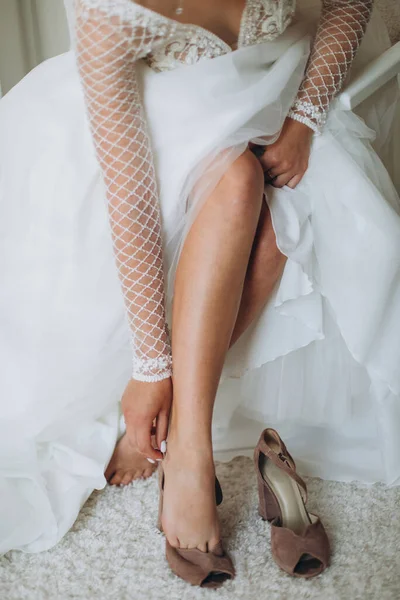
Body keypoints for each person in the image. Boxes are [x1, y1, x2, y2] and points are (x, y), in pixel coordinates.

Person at [0, 0, 399, 581]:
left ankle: (185, 437)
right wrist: (150, 369)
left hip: (279, 75)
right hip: (151, 112)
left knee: (289, 208)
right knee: (236, 180)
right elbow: (132, 205)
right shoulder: (107, 14)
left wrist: (305, 119)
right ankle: (189, 451)